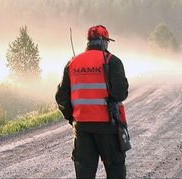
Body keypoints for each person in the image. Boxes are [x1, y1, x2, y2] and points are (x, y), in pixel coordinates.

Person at [55, 25, 129, 179]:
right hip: (108, 127)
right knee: (116, 171)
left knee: (84, 174)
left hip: (82, 128)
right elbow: (121, 93)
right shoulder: (112, 61)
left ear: (89, 42)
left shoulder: (72, 63)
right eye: (107, 42)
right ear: (104, 41)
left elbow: (61, 97)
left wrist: (72, 118)